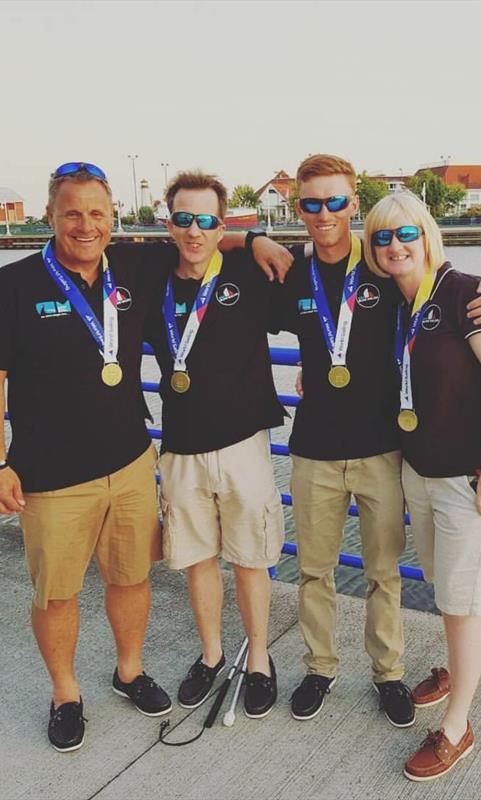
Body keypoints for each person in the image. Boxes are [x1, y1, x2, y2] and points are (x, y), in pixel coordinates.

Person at [0, 162, 291, 752]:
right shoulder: (10, 285)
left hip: (133, 461)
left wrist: (260, 235)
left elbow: (210, 237)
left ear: (114, 218)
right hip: (49, 472)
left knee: (132, 577)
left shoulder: (135, 265)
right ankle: (66, 694)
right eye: (72, 212)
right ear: (51, 214)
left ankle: (130, 671)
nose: (85, 225)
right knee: (57, 592)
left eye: (97, 213)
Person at [279, 154, 481, 726]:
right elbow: (214, 259)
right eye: (311, 203)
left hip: (385, 452)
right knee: (315, 571)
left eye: (336, 201)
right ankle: (320, 667)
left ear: (353, 204)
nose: (324, 213)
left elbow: (455, 292)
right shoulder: (290, 274)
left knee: (385, 573)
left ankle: (388, 674)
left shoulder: (384, 270)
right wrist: (256, 241)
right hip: (314, 449)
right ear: (299, 209)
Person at [363, 191, 481, 781]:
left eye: (405, 233)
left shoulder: (465, 292)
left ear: (428, 234)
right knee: (442, 583)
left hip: (468, 478)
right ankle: (458, 667)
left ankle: (458, 725)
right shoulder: (394, 302)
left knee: (462, 597)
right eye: (381, 237)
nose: (395, 245)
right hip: (419, 472)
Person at [145, 171, 286, 718]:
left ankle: (258, 661)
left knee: (250, 559)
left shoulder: (251, 274)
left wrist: (255, 239)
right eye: (184, 219)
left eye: (207, 221)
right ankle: (211, 655)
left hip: (243, 444)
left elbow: (339, 254)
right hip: (179, 447)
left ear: (221, 225)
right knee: (197, 558)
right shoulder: (148, 276)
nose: (195, 231)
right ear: (168, 223)